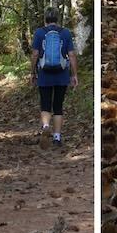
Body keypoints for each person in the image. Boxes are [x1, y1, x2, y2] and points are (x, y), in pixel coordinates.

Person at [31, 8, 78, 149]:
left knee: (45, 103)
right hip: (62, 74)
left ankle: (46, 126)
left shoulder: (39, 33)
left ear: (45, 19)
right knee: (58, 106)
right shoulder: (65, 33)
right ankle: (57, 138)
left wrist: (32, 72)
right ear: (58, 19)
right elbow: (72, 55)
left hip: (44, 74)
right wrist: (74, 74)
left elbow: (35, 54)